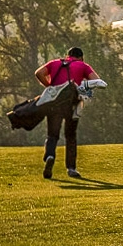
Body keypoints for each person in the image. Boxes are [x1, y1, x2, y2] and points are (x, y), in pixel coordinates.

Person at [34, 47, 96, 179]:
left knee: (52, 134)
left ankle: (50, 155)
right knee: (70, 136)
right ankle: (71, 168)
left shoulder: (55, 63)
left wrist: (49, 86)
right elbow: (95, 80)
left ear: (68, 55)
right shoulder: (83, 65)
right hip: (72, 104)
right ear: (81, 57)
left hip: (54, 103)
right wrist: (83, 89)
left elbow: (39, 73)